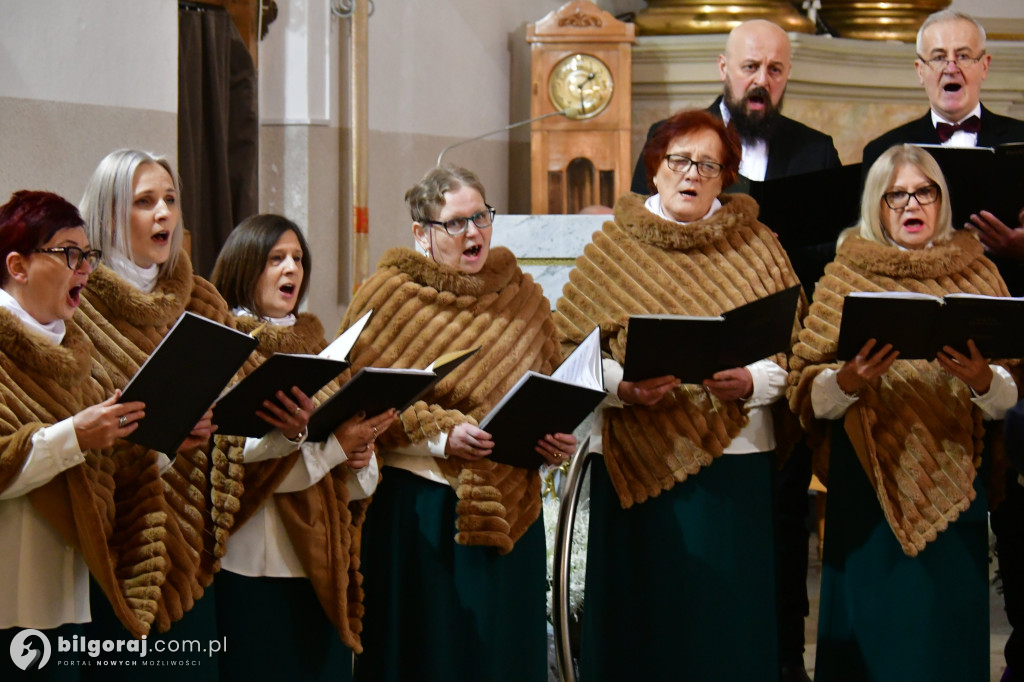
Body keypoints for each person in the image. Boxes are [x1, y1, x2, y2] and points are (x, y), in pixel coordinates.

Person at [556, 109, 805, 682]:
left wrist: (754, 380)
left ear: (726, 178)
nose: (692, 175)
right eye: (680, 161)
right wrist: (622, 387)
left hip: (736, 463)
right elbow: (567, 348)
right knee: (645, 629)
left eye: (709, 165)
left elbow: (797, 348)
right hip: (638, 463)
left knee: (724, 627)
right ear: (655, 167)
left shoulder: (760, 245)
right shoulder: (615, 245)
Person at [632, 24, 840, 679]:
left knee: (779, 522)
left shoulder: (816, 149)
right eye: (751, 66)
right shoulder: (676, 135)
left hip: (773, 345)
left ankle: (779, 657)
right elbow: (649, 232)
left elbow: (828, 253)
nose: (762, 80)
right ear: (724, 67)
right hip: (678, 369)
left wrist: (766, 248)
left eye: (775, 70)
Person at [788, 144, 1017, 682]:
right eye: (896, 195)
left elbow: (1014, 386)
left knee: (943, 638)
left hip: (957, 479)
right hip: (866, 486)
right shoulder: (847, 275)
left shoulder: (978, 271)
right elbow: (805, 389)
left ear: (941, 201)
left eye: (924, 192)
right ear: (877, 204)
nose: (911, 204)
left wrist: (983, 380)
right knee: (874, 636)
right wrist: (846, 382)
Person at [342, 165, 576, 682]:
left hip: (512, 508)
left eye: (481, 218)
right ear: (421, 232)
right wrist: (442, 436)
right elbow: (356, 400)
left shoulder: (523, 296)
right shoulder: (388, 297)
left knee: (501, 657)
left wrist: (557, 435)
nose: (473, 233)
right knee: (432, 655)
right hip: (424, 511)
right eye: (456, 223)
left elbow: (556, 383)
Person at [862, 13, 1024, 679]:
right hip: (908, 380)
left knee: (1017, 537)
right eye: (938, 56)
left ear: (985, 66)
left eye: (964, 55)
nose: (951, 67)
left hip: (1008, 367)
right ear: (920, 70)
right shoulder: (886, 150)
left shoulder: (1022, 144)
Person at [74, 149, 246, 679]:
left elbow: (235, 410)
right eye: (144, 202)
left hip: (197, 536)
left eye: (170, 200)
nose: (164, 214)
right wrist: (160, 439)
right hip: (115, 539)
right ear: (107, 215)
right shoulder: (80, 303)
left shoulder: (204, 301)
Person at [209, 214, 395, 682]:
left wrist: (360, 456)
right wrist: (330, 448)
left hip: (321, 562)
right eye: (276, 259)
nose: (291, 268)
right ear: (245, 266)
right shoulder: (224, 345)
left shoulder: (325, 351)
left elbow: (354, 487)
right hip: (251, 562)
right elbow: (238, 470)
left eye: (297, 258)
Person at [0, 191, 160, 679]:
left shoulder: (79, 360)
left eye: (88, 255)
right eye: (70, 253)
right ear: (18, 265)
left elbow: (106, 469)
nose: (85, 269)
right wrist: (74, 435)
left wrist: (168, 441)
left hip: (72, 594)